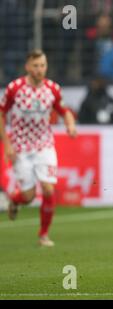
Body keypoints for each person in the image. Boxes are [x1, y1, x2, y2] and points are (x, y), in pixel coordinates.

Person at [0, 49, 77, 247]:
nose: (39, 70)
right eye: (35, 66)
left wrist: (70, 124)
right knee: (28, 197)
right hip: (20, 148)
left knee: (48, 189)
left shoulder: (52, 89)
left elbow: (64, 111)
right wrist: (7, 144)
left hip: (44, 146)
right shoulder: (14, 88)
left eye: (42, 65)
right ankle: (15, 200)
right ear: (27, 67)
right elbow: (1, 114)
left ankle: (43, 235)